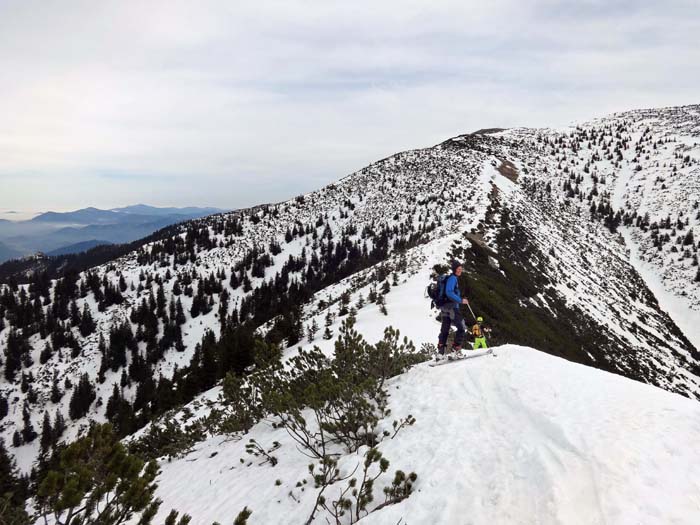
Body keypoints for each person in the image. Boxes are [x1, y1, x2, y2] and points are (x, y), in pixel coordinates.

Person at [436, 260, 469, 360]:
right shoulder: (453, 278)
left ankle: (441, 353)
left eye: (461, 269)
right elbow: (449, 292)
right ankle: (456, 350)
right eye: (458, 269)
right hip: (452, 308)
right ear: (454, 269)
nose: (460, 271)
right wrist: (461, 300)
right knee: (461, 327)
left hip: (444, 308)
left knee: (445, 330)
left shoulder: (449, 278)